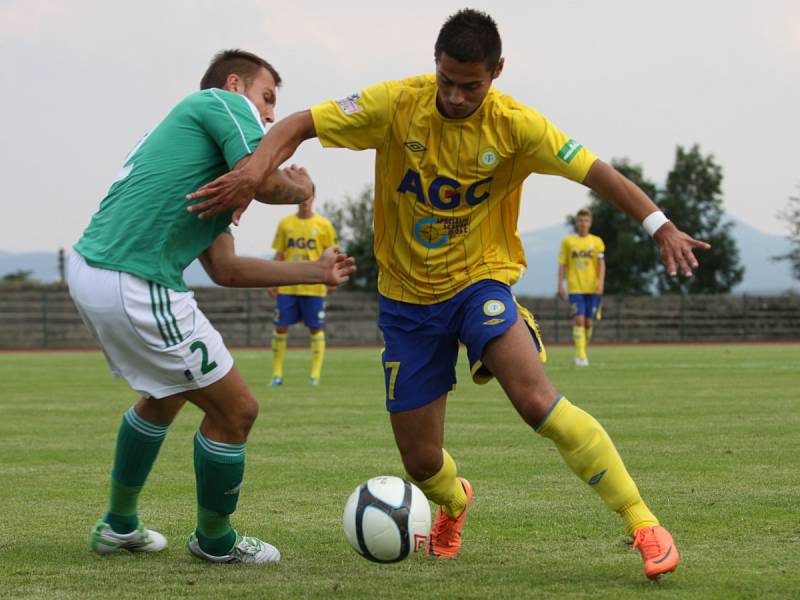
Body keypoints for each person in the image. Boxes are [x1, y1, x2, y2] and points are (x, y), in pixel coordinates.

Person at [187, 11, 710, 580]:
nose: (457, 97)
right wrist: (253, 171)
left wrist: (660, 226)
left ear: (497, 73)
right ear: (434, 65)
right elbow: (297, 123)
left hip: (478, 282)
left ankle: (643, 523)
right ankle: (455, 503)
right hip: (406, 303)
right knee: (420, 461)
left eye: (472, 85)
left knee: (536, 401)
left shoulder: (517, 126)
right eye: (447, 81)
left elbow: (596, 173)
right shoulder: (395, 103)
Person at [68, 49, 355, 565]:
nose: (269, 115)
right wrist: (304, 188)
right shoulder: (221, 102)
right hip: (133, 277)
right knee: (237, 410)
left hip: (99, 270)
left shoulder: (203, 160)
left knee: (166, 395)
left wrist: (314, 272)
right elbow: (265, 180)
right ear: (235, 83)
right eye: (266, 98)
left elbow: (225, 268)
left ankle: (118, 524)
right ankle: (216, 541)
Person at [268, 186, 339, 386]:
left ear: (314, 198)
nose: (304, 201)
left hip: (314, 287)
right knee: (280, 327)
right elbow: (280, 254)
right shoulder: (285, 224)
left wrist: (331, 275)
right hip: (288, 286)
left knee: (316, 328)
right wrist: (273, 279)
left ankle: (314, 375)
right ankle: (277, 374)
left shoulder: (324, 225)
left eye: (308, 197)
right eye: (302, 197)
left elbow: (333, 254)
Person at [558, 208, 606, 366]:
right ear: (576, 222)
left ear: (590, 223)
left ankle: (582, 348)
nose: (583, 223)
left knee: (588, 323)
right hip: (575, 288)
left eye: (586, 220)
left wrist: (600, 282)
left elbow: (601, 264)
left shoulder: (597, 241)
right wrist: (560, 285)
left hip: (592, 288)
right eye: (580, 220)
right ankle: (581, 355)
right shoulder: (568, 242)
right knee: (578, 320)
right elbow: (562, 264)